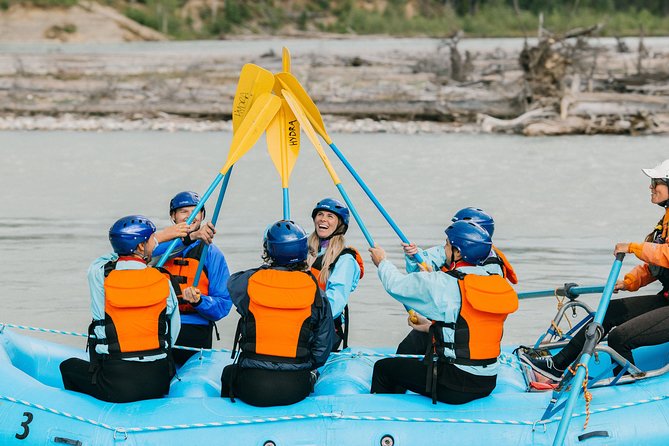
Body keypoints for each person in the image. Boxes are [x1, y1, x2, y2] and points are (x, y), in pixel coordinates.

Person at [520, 160, 669, 381]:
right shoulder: (664, 221)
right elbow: (655, 266)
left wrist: (633, 247)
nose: (650, 186)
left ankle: (627, 385)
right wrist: (628, 282)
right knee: (608, 311)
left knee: (620, 338)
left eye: (656, 182)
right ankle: (557, 365)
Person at [369, 220, 518, 404]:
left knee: (384, 369)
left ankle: (383, 418)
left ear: (458, 252)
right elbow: (468, 327)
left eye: (447, 245)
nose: (444, 249)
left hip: (454, 384)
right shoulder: (495, 282)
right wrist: (429, 327)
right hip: (487, 381)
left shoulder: (446, 283)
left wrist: (382, 262)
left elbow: (396, 285)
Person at [60, 215, 181, 403]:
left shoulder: (100, 275)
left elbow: (103, 260)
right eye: (151, 239)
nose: (153, 244)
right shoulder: (163, 281)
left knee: (68, 367)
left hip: (116, 383)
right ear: (141, 246)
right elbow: (174, 330)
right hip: (157, 380)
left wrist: (129, 246)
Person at [221, 220, 334, 407]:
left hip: (253, 386)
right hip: (295, 387)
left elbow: (233, 283)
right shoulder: (316, 292)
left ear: (269, 251)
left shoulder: (250, 281)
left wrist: (269, 269)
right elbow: (322, 351)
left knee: (228, 373)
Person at [397, 207, 517, 354]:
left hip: (462, 328)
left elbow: (458, 293)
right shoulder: (455, 250)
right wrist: (414, 255)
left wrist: (432, 278)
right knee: (408, 346)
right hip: (444, 319)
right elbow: (426, 261)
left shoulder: (491, 269)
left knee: (408, 350)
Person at [153, 191, 233, 366]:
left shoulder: (211, 254)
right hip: (159, 327)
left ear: (202, 215)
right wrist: (190, 237)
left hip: (196, 330)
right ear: (173, 217)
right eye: (183, 212)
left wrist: (200, 301)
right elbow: (146, 253)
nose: (191, 216)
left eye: (196, 211)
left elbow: (223, 305)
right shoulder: (156, 247)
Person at [307, 198, 363, 350]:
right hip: (298, 321)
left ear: (340, 224)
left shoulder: (345, 259)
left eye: (330, 216)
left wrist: (305, 320)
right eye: (320, 214)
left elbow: (335, 304)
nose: (323, 219)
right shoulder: (302, 249)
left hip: (322, 329)